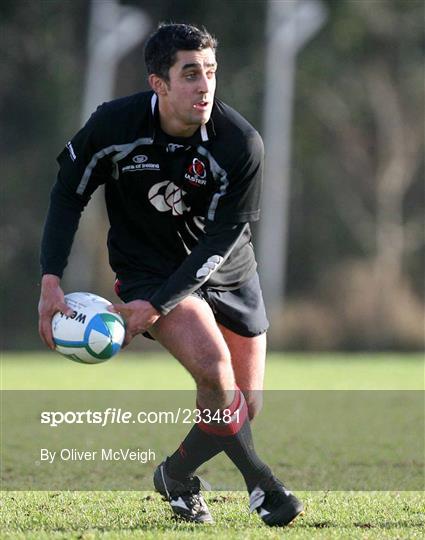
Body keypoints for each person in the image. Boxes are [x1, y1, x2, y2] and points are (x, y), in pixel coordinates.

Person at [38, 23, 303, 527]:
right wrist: (50, 278)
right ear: (158, 83)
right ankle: (264, 487)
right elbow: (67, 193)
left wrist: (155, 309)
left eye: (211, 73)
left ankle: (176, 476)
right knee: (212, 366)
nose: (205, 85)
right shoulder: (114, 126)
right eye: (190, 74)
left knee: (243, 405)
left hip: (228, 269)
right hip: (148, 269)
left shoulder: (240, 143)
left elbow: (221, 240)